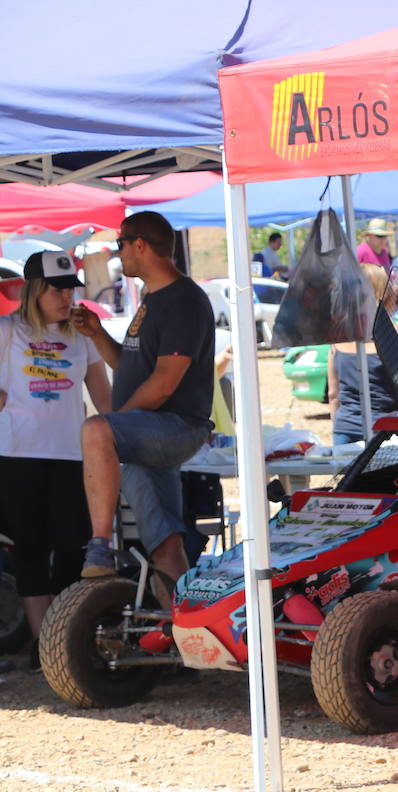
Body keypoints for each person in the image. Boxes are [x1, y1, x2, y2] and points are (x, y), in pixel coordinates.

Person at [70, 211, 215, 609]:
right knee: (165, 544)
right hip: (148, 433)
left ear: (140, 245)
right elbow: (134, 369)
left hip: (174, 427)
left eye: (120, 244)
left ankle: (99, 546)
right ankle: (188, 635)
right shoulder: (154, 299)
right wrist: (98, 334)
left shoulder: (184, 300)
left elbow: (165, 382)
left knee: (96, 429)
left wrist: (116, 426)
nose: (118, 254)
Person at [0, 253, 113, 672]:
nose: (66, 296)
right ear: (34, 290)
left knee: (72, 549)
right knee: (29, 550)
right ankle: (43, 645)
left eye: (70, 288)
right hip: (16, 456)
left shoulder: (82, 337)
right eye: (56, 288)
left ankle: (61, 639)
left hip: (71, 456)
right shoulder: (8, 329)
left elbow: (105, 402)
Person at [327, 264, 398, 445]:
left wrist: (337, 424)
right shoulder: (395, 334)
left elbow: (333, 394)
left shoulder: (339, 338)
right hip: (387, 431)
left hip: (345, 430)